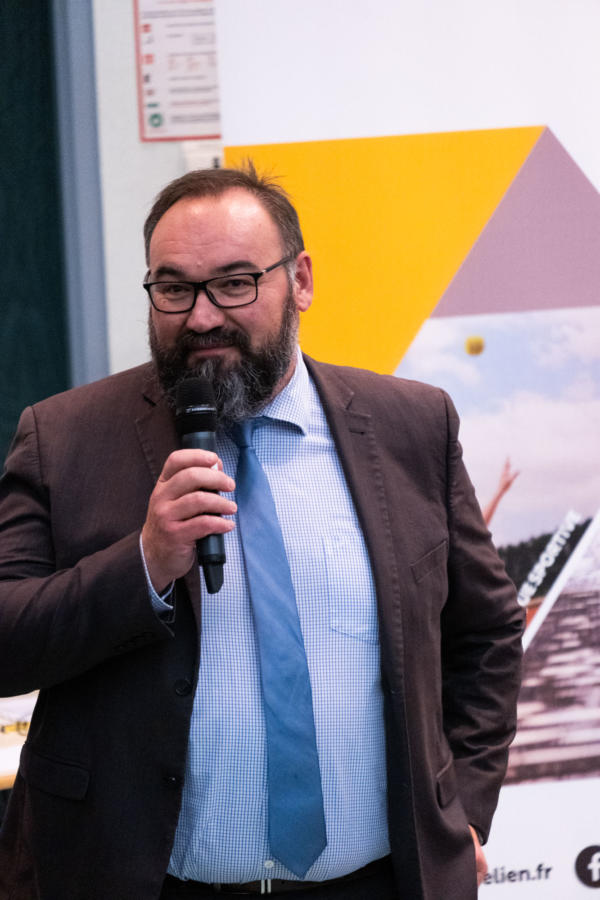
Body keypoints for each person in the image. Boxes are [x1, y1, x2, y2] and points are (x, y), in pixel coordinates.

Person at [0, 164, 524, 900]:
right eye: (174, 289)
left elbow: (487, 633)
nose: (202, 317)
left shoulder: (411, 425)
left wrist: (459, 808)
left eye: (235, 283)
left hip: (377, 884)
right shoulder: (64, 438)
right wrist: (143, 564)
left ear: (300, 280)